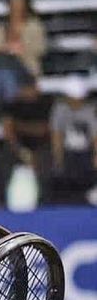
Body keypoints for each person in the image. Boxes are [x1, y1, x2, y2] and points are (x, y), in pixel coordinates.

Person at [0, 0, 46, 109]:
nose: (17, 9)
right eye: (14, 5)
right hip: (4, 66)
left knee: (4, 74)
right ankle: (3, 106)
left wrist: (20, 49)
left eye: (19, 5)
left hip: (27, 68)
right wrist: (10, 48)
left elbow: (40, 48)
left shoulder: (34, 26)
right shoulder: (0, 27)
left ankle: (7, 106)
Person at [49, 77, 97, 205]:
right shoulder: (60, 110)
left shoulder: (90, 110)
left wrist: (95, 156)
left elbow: (95, 135)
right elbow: (57, 135)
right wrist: (58, 158)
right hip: (68, 152)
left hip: (86, 152)